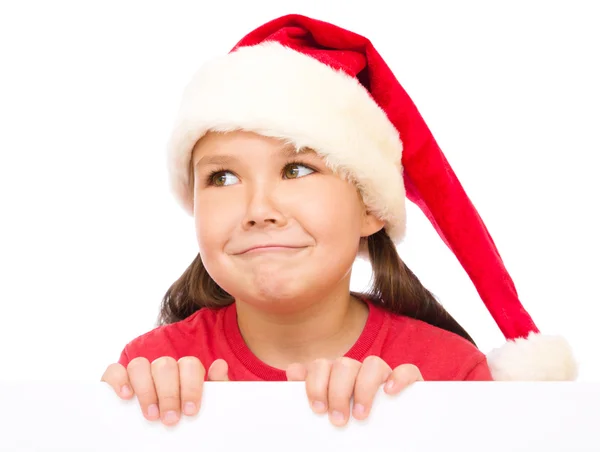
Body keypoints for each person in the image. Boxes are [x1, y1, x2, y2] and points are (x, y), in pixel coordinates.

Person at [101, 14, 577, 428]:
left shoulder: (451, 375)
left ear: (371, 206)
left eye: (298, 170)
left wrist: (407, 427)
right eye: (222, 177)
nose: (258, 209)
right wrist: (130, 425)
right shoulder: (153, 373)